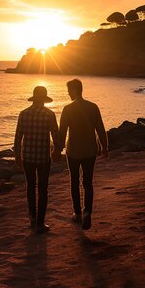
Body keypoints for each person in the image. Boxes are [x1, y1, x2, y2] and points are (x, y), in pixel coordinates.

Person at [58, 79, 108, 230]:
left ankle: (77, 213)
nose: (67, 93)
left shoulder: (67, 109)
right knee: (88, 183)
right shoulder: (93, 107)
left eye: (68, 90)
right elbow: (100, 128)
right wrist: (104, 147)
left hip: (73, 151)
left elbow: (62, 132)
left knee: (74, 181)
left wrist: (57, 149)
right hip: (90, 150)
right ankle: (88, 212)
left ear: (73, 90)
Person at [14, 86, 59, 233]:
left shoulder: (23, 114)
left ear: (34, 98)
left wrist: (17, 157)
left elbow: (18, 137)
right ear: (44, 99)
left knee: (30, 187)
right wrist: (57, 151)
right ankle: (40, 222)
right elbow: (56, 136)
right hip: (43, 158)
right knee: (43, 188)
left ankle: (32, 218)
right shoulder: (49, 114)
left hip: (27, 157)